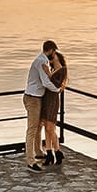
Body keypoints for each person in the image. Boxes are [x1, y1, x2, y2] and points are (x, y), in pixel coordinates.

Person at [23, 40, 62, 171]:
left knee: (38, 127)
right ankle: (30, 161)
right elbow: (45, 82)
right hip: (33, 99)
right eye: (54, 51)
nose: (54, 54)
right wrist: (58, 89)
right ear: (50, 50)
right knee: (32, 129)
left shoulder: (42, 60)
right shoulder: (41, 62)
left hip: (36, 97)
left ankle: (39, 152)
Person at [40, 49, 67, 164]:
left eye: (53, 56)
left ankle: (57, 151)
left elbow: (56, 84)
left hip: (52, 101)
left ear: (58, 57)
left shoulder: (62, 70)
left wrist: (48, 73)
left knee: (50, 128)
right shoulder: (52, 69)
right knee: (46, 127)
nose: (51, 58)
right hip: (46, 99)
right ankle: (49, 152)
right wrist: (48, 72)